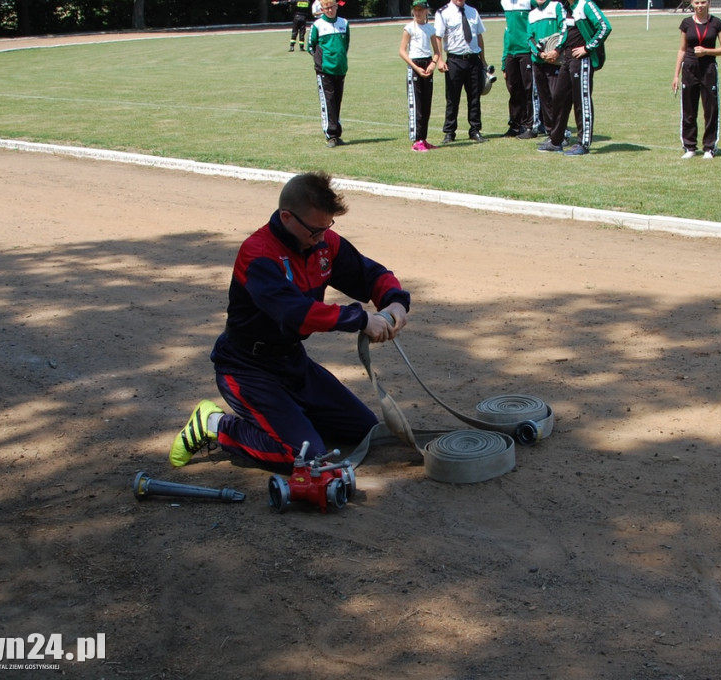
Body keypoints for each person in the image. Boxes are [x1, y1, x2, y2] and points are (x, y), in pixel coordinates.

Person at [169, 171, 411, 471]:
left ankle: (291, 422)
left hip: (292, 363)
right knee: (305, 460)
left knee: (365, 429)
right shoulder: (258, 255)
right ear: (286, 217)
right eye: (315, 231)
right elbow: (295, 312)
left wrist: (396, 301)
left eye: (328, 227)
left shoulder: (322, 241)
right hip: (247, 369)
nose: (322, 237)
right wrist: (361, 319)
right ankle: (214, 424)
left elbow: (369, 273)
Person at [537, 0, 611, 156]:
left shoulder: (585, 5)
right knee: (559, 98)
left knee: (581, 101)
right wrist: (557, 50)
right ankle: (556, 140)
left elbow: (605, 27)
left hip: (582, 60)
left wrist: (587, 47)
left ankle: (583, 143)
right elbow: (564, 32)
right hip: (567, 59)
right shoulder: (566, 8)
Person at [672, 0, 721, 160]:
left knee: (710, 109)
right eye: (697, 2)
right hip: (689, 69)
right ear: (692, 3)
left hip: (708, 69)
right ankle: (689, 147)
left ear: (708, 3)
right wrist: (676, 74)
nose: (700, 5)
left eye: (703, 2)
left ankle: (709, 148)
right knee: (689, 109)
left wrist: (706, 51)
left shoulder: (716, 23)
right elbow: (682, 49)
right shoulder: (686, 23)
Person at [432, 0, 489, 144]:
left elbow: (479, 36)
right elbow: (438, 37)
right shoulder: (443, 12)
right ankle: (449, 132)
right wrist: (439, 60)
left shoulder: (473, 11)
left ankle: (475, 130)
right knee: (452, 98)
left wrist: (483, 59)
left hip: (473, 60)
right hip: (454, 61)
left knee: (475, 98)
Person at [400, 0, 441, 151]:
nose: (418, 13)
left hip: (427, 64)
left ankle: (423, 138)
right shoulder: (409, 28)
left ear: (426, 11)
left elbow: (436, 52)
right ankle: (416, 140)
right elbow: (402, 51)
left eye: (421, 10)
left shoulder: (430, 29)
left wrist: (433, 63)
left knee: (426, 104)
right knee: (416, 105)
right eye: (415, 10)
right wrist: (416, 67)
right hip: (415, 65)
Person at [308, 0, 350, 147]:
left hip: (340, 68)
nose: (330, 10)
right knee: (328, 101)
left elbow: (346, 45)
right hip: (325, 70)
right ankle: (331, 135)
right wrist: (321, 61)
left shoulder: (344, 23)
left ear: (337, 6)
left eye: (332, 7)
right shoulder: (317, 25)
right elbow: (311, 46)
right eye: (326, 8)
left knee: (337, 102)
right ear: (322, 9)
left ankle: (337, 133)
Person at [528, 0, 567, 138]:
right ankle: (552, 135)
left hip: (555, 61)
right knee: (545, 100)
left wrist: (557, 50)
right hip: (538, 62)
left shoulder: (556, 6)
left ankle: (561, 133)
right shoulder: (531, 14)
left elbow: (564, 28)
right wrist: (540, 54)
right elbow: (529, 38)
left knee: (557, 97)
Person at [502, 0, 537, 139]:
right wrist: (504, 60)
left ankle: (531, 124)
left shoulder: (530, 2)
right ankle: (515, 125)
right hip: (511, 52)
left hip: (526, 51)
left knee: (529, 89)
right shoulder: (504, 2)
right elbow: (507, 30)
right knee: (513, 89)